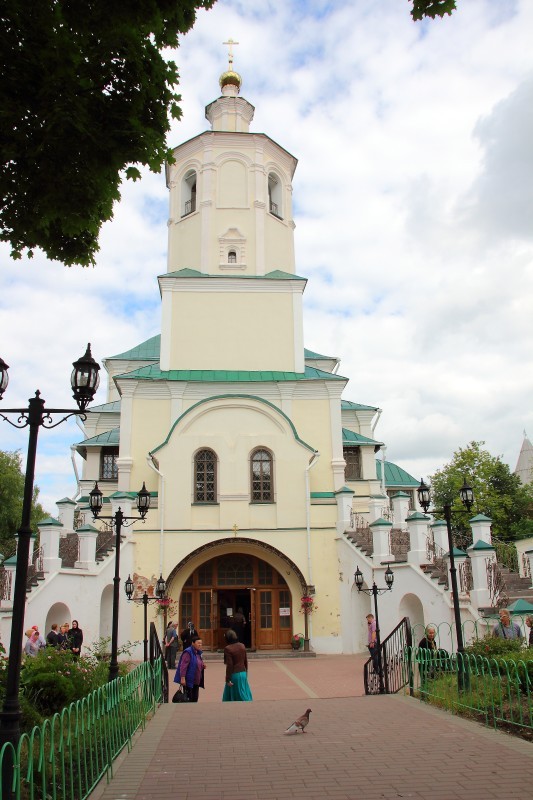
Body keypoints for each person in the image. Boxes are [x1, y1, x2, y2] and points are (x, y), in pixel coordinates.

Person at [222, 629, 253, 702]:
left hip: (234, 674)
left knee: (239, 697)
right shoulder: (242, 646)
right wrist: (246, 673)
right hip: (243, 673)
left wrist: (227, 679)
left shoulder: (228, 648)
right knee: (244, 692)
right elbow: (245, 661)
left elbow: (230, 665)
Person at [176, 636, 206, 702]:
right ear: (193, 643)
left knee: (195, 698)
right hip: (189, 680)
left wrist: (202, 665)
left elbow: (197, 662)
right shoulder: (188, 652)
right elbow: (183, 666)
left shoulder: (198, 652)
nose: (200, 645)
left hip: (196, 680)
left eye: (201, 643)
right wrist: (182, 678)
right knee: (189, 698)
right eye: (198, 643)